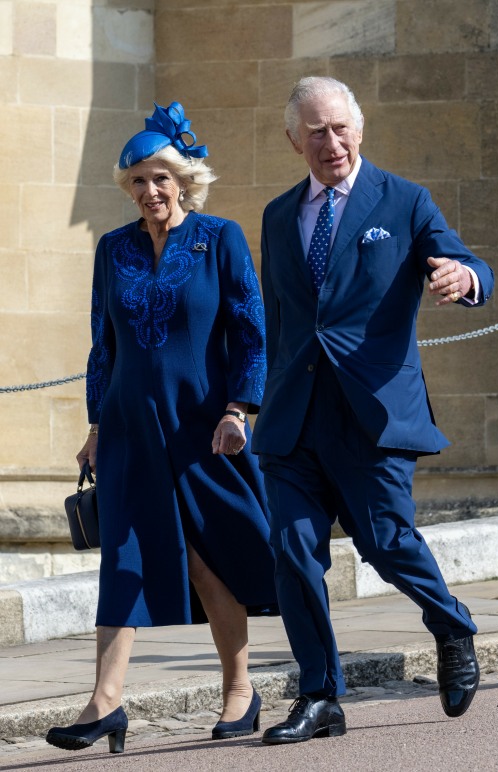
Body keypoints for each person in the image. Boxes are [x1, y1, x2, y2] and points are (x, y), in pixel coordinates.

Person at [252, 76, 494, 744]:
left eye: (340, 128)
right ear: (294, 139)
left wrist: (465, 278)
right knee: (292, 553)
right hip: (294, 417)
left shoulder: (405, 201)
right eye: (316, 132)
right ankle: (320, 695)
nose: (330, 143)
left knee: (387, 544)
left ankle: (451, 624)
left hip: (372, 413)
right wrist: (249, 400)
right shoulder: (277, 215)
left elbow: (471, 263)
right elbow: (276, 320)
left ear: (359, 130)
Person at [45, 103, 277, 754]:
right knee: (123, 557)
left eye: (160, 178)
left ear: (183, 181)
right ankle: (105, 702)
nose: (150, 191)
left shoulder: (220, 238)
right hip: (128, 429)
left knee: (207, 559)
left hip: (204, 428)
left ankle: (240, 690)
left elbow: (251, 332)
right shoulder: (112, 249)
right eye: (139, 181)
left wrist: (239, 409)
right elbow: (103, 346)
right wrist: (96, 425)